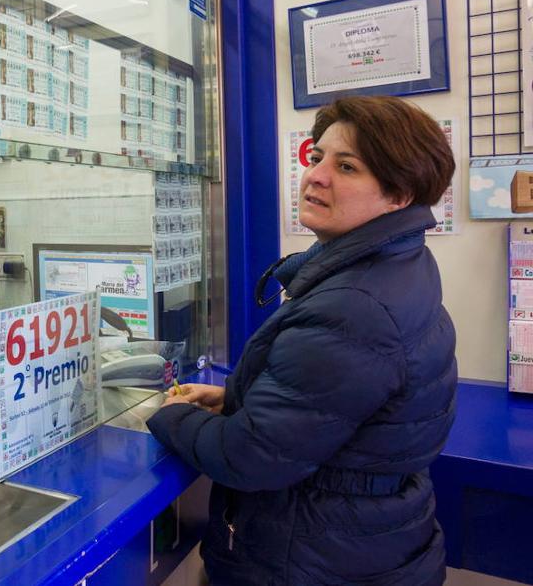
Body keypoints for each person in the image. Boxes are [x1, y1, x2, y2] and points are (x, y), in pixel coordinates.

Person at [148, 95, 457, 585]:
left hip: (310, 561)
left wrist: (167, 416)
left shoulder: (355, 305)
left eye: (348, 166)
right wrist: (237, 398)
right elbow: (338, 405)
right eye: (317, 158)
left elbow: (251, 456)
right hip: (356, 545)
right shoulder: (395, 263)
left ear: (400, 195)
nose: (316, 175)